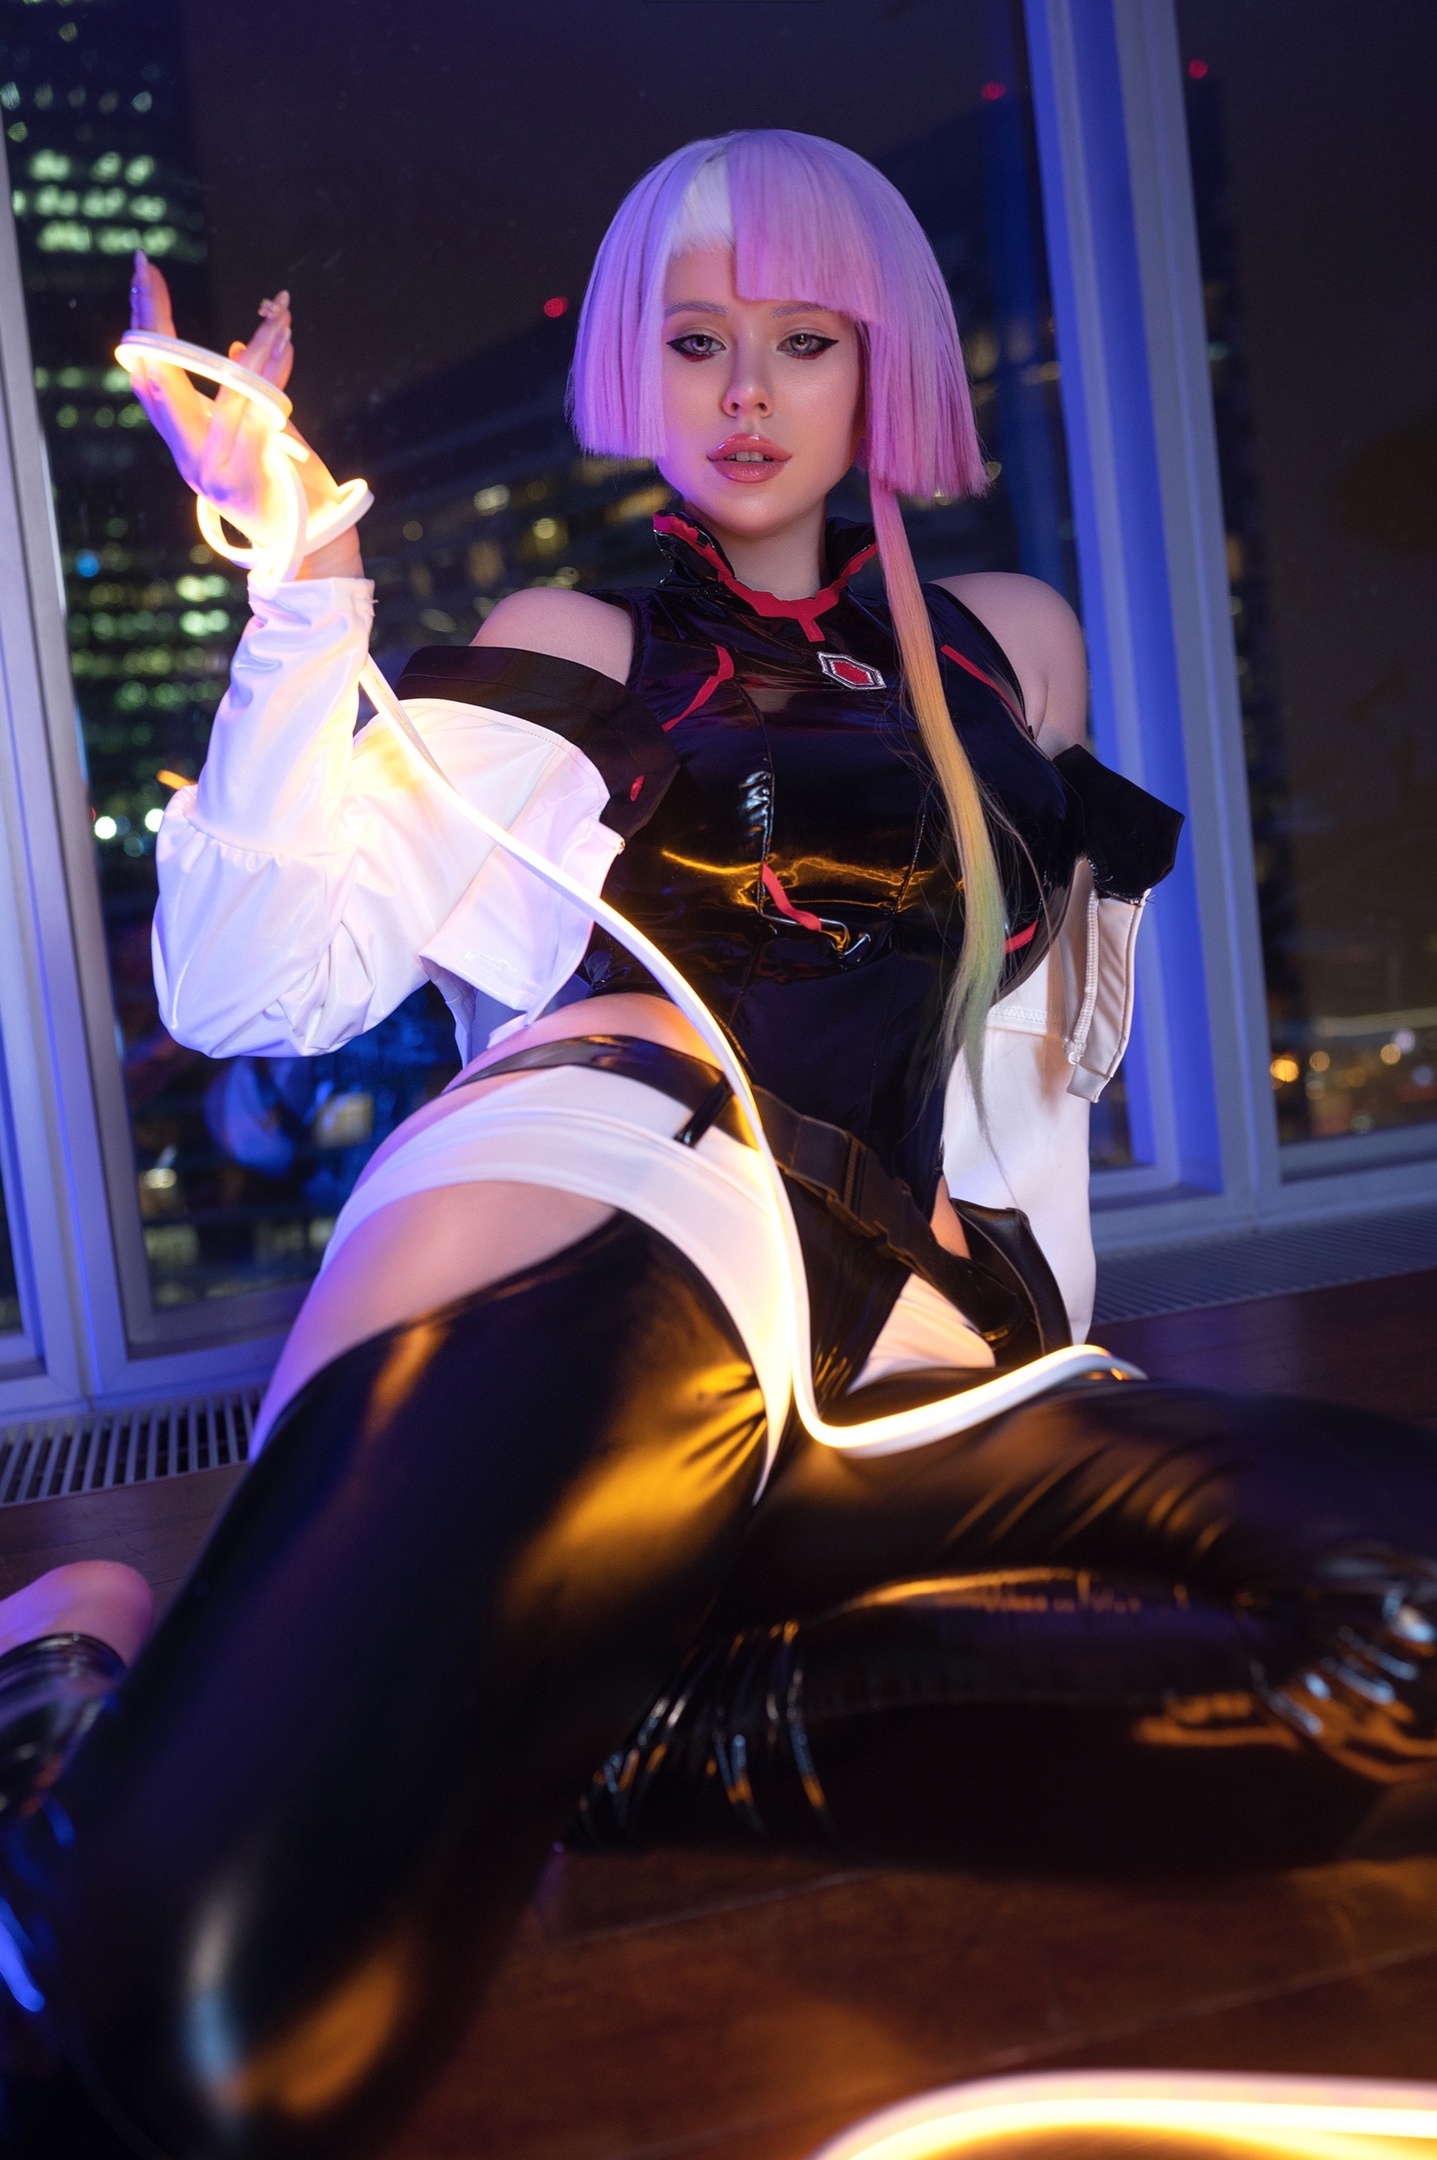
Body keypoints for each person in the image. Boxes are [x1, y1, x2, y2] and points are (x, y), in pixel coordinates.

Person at [1, 129, 1436, 2160]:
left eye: (801, 339)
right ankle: (61, 1667)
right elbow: (249, 992)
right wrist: (301, 586)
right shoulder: (581, 641)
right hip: (601, 1206)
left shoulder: (1007, 644)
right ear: (635, 370)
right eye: (693, 341)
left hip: (901, 1355)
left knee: (1407, 1626)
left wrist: (1025, 1327)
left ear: (884, 367)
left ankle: (602, 1725)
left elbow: (1018, 1061)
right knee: (206, 2049)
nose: (743, 390)